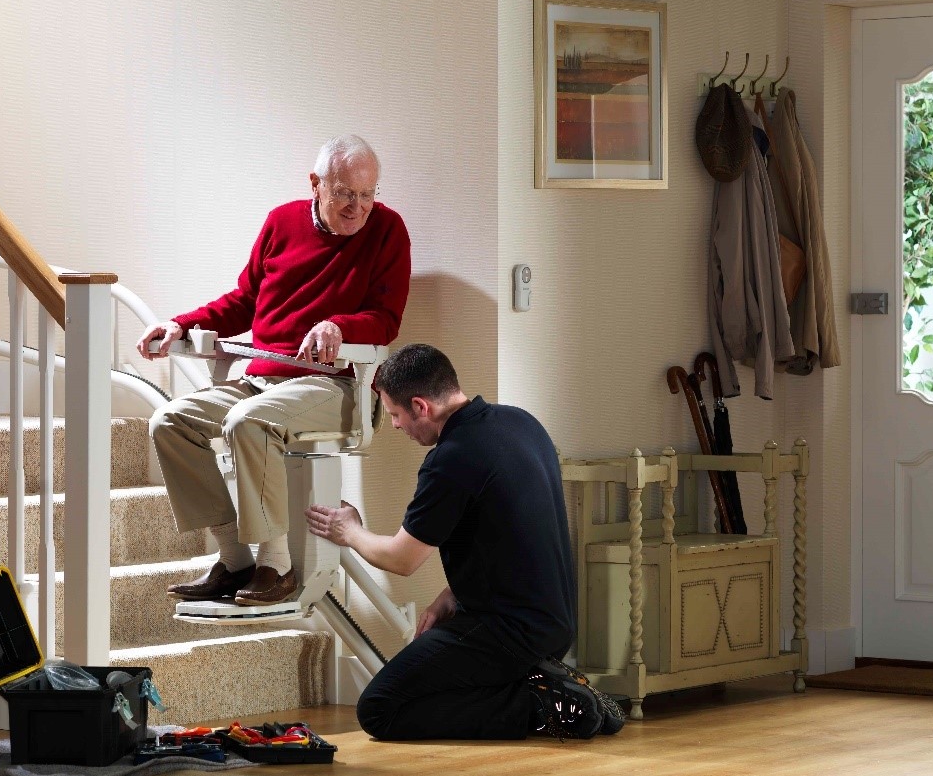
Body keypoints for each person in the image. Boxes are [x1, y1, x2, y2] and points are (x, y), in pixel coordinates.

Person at [138, 135, 411, 606]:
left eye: (368, 195)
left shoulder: (388, 230)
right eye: (345, 193)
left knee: (250, 421)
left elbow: (386, 319)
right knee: (170, 422)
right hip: (263, 380)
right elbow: (245, 300)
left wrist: (339, 326)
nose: (358, 207)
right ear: (316, 185)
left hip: (338, 386)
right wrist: (180, 323)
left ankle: (276, 563)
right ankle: (233, 559)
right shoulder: (281, 222)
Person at [304, 343, 623, 741]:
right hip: (553, 625)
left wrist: (348, 530)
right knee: (436, 678)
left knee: (380, 708)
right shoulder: (521, 423)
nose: (397, 426)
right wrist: (454, 592)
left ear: (420, 406)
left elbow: (402, 559)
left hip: (507, 632)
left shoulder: (451, 459)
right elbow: (515, 534)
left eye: (395, 415)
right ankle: (550, 686)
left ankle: (542, 705)